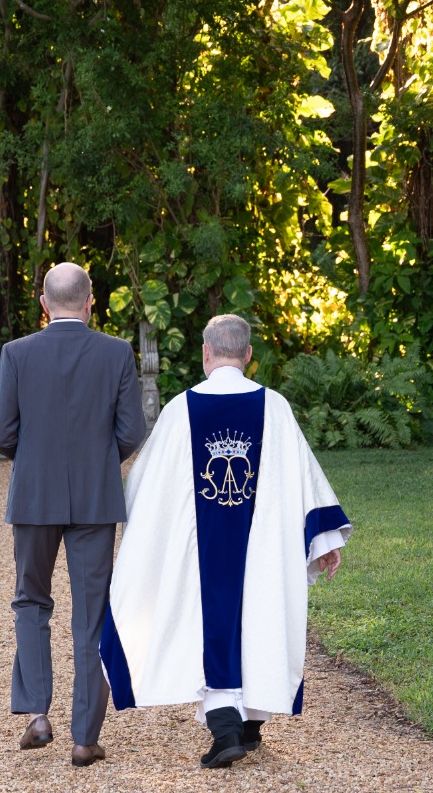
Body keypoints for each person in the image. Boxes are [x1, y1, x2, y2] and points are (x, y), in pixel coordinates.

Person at [100, 315, 351, 769]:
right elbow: (306, 485)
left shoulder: (180, 410)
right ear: (249, 355)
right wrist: (325, 538)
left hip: (200, 548)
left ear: (206, 353)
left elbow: (143, 485)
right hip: (260, 548)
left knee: (205, 615)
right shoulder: (275, 408)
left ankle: (228, 727)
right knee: (258, 612)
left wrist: (147, 533)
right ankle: (247, 722)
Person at [0, 262, 147, 768]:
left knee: (31, 600)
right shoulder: (117, 353)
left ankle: (38, 714)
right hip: (95, 499)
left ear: (43, 303)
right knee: (91, 613)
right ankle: (85, 738)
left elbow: (1, 434)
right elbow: (132, 431)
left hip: (34, 496)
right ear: (90, 300)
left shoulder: (17, 353)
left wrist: (37, 461)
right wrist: (97, 462)